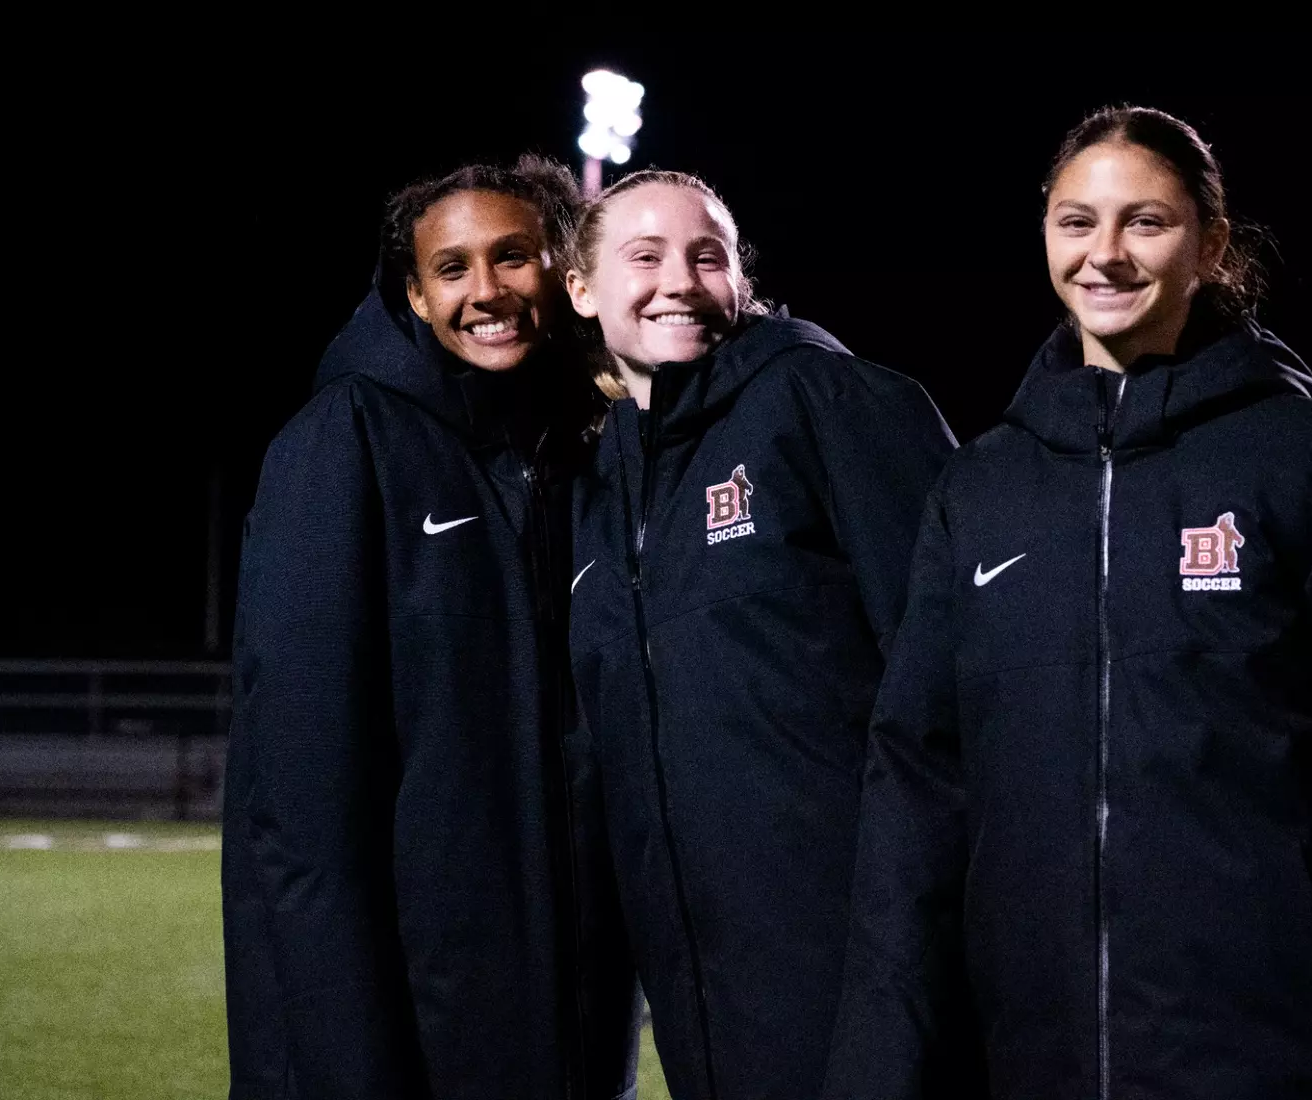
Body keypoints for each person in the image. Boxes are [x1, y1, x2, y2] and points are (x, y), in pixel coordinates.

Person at [824, 107, 1312, 1100]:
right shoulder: (980, 490)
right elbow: (916, 796)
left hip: (1267, 1056)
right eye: (1075, 221)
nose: (1104, 255)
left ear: (1211, 245)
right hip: (1029, 1059)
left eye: (1147, 222)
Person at [221, 157, 638, 1100]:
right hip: (417, 985)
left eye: (513, 257)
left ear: (564, 271)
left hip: (566, 973)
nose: (485, 291)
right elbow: (299, 791)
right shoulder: (345, 441)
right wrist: (344, 1053)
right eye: (451, 269)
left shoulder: (587, 448)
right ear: (412, 294)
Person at [563, 169, 958, 1100]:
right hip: (700, 972)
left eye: (708, 256)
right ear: (583, 289)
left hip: (859, 957)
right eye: (644, 256)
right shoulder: (599, 485)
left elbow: (953, 672)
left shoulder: (824, 399)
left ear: (742, 277)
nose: (680, 281)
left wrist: (918, 929)